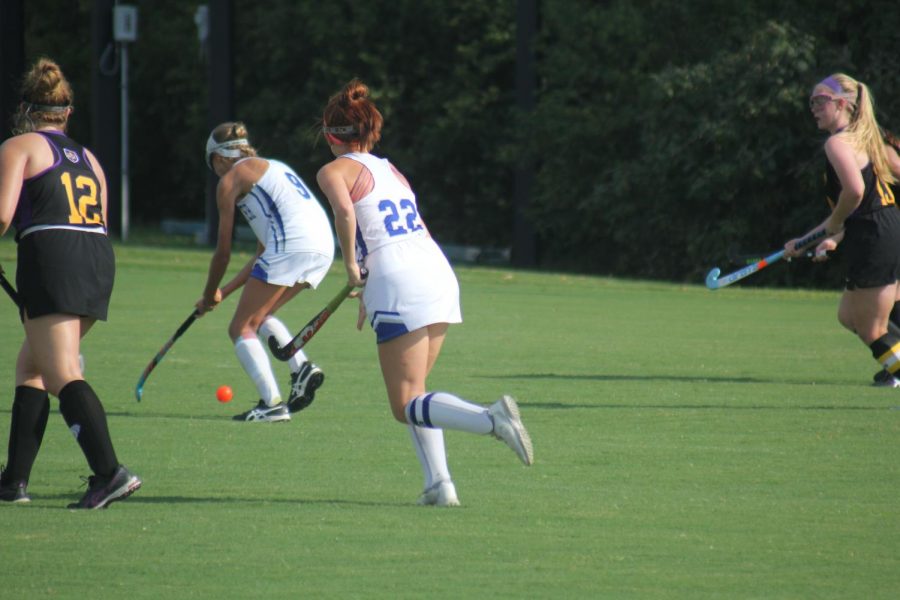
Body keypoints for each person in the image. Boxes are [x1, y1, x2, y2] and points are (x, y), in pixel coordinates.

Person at [316, 79, 533, 507]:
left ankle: (491, 420)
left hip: (397, 277)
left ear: (329, 134)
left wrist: (351, 268)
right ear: (368, 132)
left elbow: (345, 212)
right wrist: (371, 287)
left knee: (404, 403)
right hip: (435, 271)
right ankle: (440, 486)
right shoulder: (392, 169)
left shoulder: (332, 170)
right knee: (418, 392)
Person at [0, 57, 141, 508]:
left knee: (61, 373)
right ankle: (13, 481)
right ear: (67, 112)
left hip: (53, 257)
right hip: (97, 261)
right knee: (33, 368)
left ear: (26, 109)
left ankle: (109, 473)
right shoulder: (91, 160)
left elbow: (3, 215)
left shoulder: (19, 146)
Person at [197, 122, 335, 422]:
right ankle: (302, 368)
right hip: (322, 246)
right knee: (259, 317)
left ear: (219, 159)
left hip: (293, 244)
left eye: (214, 167)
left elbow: (223, 252)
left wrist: (208, 294)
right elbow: (262, 255)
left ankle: (271, 404)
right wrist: (224, 291)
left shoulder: (231, 179)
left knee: (240, 327)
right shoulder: (273, 169)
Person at [786, 73, 900, 387]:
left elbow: (854, 192)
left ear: (841, 104)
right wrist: (828, 237)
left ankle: (896, 368)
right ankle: (894, 362)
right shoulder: (866, 137)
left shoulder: (838, 143)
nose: (813, 108)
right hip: (880, 230)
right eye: (811, 102)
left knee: (872, 329)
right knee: (848, 315)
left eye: (820, 101)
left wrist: (830, 228)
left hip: (874, 236)